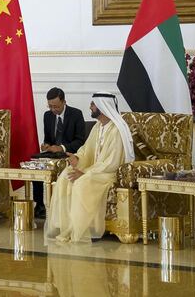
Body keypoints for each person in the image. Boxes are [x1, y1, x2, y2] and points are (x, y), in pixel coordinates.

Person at [45, 92, 134, 244]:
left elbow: (111, 163)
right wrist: (77, 158)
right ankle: (65, 225)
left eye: (93, 105)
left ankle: (86, 229)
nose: (90, 107)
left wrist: (85, 172)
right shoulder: (98, 127)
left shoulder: (117, 130)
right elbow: (87, 149)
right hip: (95, 170)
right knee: (66, 175)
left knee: (82, 182)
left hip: (108, 174)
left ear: (102, 107)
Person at [33, 87, 87, 219]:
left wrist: (61, 148)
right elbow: (48, 139)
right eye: (50, 106)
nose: (53, 110)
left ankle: (61, 207)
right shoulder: (48, 115)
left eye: (56, 106)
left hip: (70, 153)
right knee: (36, 165)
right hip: (53, 154)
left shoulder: (76, 114)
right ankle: (39, 205)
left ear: (64, 102)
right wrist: (46, 146)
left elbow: (80, 141)